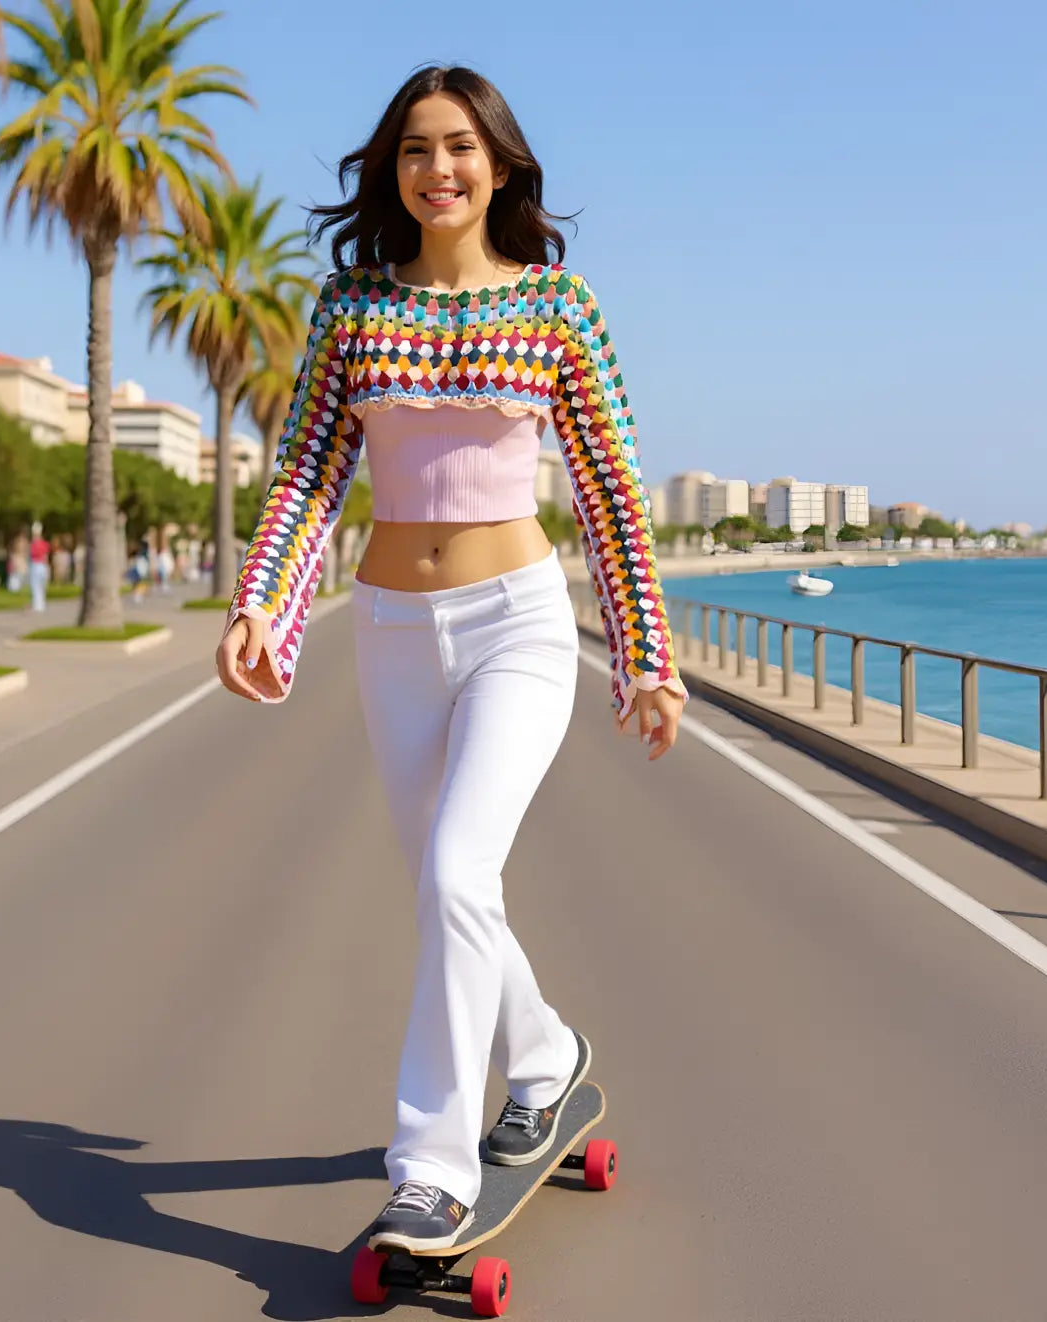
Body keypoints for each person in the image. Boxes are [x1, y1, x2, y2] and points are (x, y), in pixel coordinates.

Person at [215, 65, 688, 1254]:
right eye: (416, 149)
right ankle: (546, 1056)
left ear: (501, 166)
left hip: (518, 622)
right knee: (444, 884)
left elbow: (610, 487)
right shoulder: (350, 307)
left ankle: (429, 1165)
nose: (438, 169)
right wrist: (262, 604)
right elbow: (312, 469)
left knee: (458, 872)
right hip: (387, 628)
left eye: (461, 148)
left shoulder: (557, 308)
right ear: (391, 169)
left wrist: (645, 655)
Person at [27, 523, 49, 611]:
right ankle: (40, 604)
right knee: (40, 586)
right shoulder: (44, 544)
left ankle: (37, 605)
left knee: (36, 586)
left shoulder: (34, 544)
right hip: (42, 566)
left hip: (36, 565)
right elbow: (46, 557)